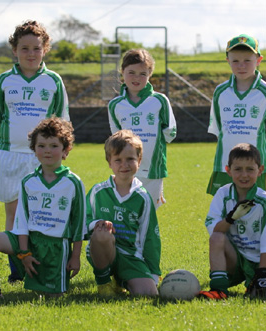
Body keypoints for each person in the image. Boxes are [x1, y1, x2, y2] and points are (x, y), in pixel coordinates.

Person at [0, 20, 69, 282]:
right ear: (14, 50)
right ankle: (17, 271)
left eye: (36, 48)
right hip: (11, 155)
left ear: (45, 49)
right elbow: (0, 118)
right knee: (13, 213)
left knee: (42, 211)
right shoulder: (4, 81)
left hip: (43, 157)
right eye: (25, 48)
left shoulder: (53, 81)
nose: (31, 54)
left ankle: (44, 264)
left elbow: (61, 123)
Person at [0, 117, 86, 298]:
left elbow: (78, 224)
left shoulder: (73, 182)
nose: (47, 151)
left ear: (66, 150)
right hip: (28, 242)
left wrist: (75, 257)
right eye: (41, 146)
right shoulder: (28, 181)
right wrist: (24, 253)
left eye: (53, 146)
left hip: (55, 246)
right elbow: (21, 221)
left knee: (52, 298)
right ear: (33, 150)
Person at [207, 34, 266, 196]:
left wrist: (251, 157)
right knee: (225, 210)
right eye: (235, 61)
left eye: (247, 61)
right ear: (227, 60)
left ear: (258, 60)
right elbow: (219, 130)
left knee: (256, 211)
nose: (241, 65)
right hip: (225, 165)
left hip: (255, 166)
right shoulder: (220, 92)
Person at [85, 130, 161, 297]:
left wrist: (154, 273)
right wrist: (95, 224)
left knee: (149, 293)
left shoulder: (143, 198)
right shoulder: (98, 192)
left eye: (130, 159)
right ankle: (103, 281)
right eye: (118, 160)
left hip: (130, 256)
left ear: (139, 161)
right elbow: (82, 221)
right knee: (103, 234)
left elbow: (150, 237)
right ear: (109, 162)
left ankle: (120, 280)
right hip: (102, 249)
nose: (124, 165)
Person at [199, 143, 266, 299]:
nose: (244, 175)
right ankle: (219, 290)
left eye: (250, 169)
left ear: (260, 170)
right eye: (238, 169)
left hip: (258, 260)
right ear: (228, 170)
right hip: (234, 257)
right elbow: (215, 230)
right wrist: (231, 217)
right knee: (216, 238)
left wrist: (262, 272)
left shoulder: (265, 200)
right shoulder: (223, 194)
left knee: (259, 297)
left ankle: (255, 280)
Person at [108, 49, 177, 209]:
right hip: (125, 167)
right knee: (127, 209)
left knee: (150, 211)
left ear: (149, 75)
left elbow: (170, 132)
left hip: (152, 168)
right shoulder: (115, 105)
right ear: (122, 72)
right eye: (131, 72)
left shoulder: (159, 101)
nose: (136, 78)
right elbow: (116, 137)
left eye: (142, 74)